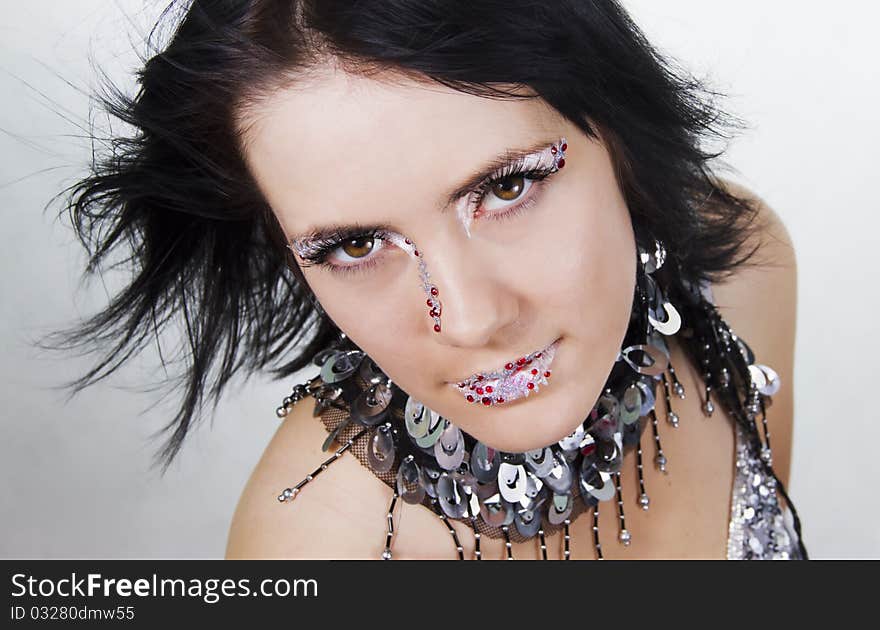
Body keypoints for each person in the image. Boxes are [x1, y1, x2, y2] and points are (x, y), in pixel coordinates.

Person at [49, 0, 806, 559]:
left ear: (619, 133)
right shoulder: (318, 545)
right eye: (354, 245)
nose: (472, 320)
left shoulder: (742, 275)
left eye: (507, 189)